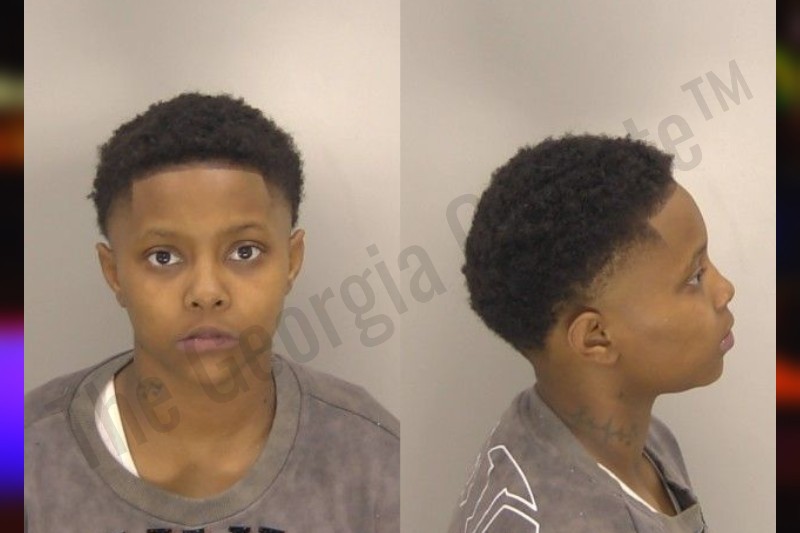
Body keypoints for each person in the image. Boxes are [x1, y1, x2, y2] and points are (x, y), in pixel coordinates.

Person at [24, 93, 399, 532]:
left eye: (245, 251)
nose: (206, 292)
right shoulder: (26, 455)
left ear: (291, 261)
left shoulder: (371, 456)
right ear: (114, 273)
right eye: (163, 256)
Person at [448, 134, 734, 532]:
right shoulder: (552, 520)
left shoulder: (645, 441)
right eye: (694, 276)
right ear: (596, 337)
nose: (725, 290)